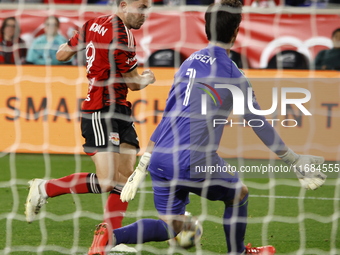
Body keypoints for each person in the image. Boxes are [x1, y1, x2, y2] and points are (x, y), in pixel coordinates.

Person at [86, 0, 327, 255]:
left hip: (161, 160)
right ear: (236, 32)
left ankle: (107, 238)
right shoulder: (235, 76)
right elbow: (259, 124)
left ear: (206, 29)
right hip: (193, 160)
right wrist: (293, 159)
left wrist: (144, 162)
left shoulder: (188, 63)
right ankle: (239, 252)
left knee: (171, 227)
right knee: (239, 194)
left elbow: (168, 114)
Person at [25, 0, 155, 253]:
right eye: (141, 7)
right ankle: (45, 188)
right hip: (100, 108)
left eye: (147, 9)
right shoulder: (123, 36)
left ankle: (110, 240)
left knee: (126, 177)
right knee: (108, 181)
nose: (144, 15)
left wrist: (82, 48)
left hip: (121, 110)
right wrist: (148, 77)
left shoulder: (93, 23)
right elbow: (135, 84)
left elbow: (61, 54)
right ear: (124, 4)